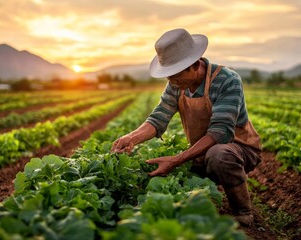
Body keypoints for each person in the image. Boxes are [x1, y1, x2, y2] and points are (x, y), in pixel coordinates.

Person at [111, 28, 262, 226]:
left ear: (194, 64)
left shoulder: (227, 80)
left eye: (174, 74)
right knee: (173, 175)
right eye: (168, 75)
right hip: (202, 149)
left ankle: (243, 211)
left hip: (238, 147)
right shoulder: (177, 85)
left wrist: (176, 159)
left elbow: (221, 132)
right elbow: (159, 118)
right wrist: (131, 138)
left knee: (219, 155)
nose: (170, 80)